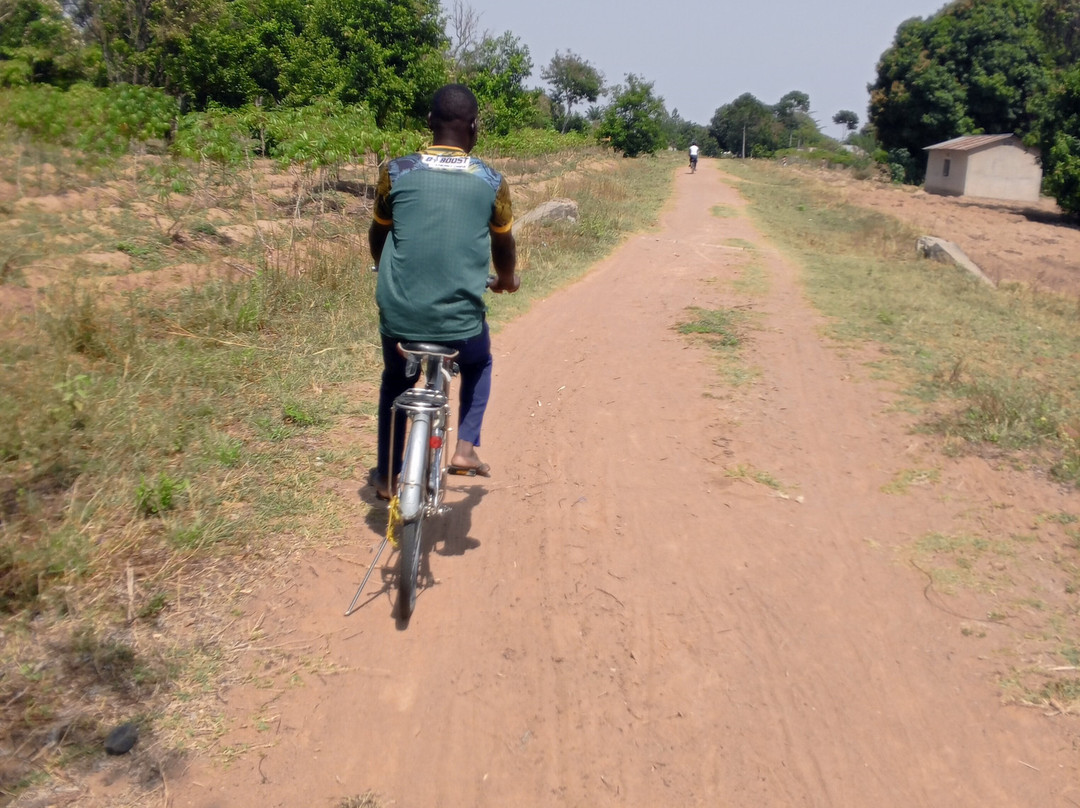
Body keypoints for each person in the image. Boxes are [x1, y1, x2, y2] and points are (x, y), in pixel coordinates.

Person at [368, 84, 519, 500]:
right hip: (459, 325)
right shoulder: (491, 180)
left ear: (430, 123)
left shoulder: (395, 171)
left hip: (399, 315)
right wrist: (507, 279)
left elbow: (378, 236)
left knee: (393, 380)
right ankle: (465, 450)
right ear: (474, 128)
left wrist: (383, 268)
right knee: (480, 362)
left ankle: (385, 476)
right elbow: (502, 246)